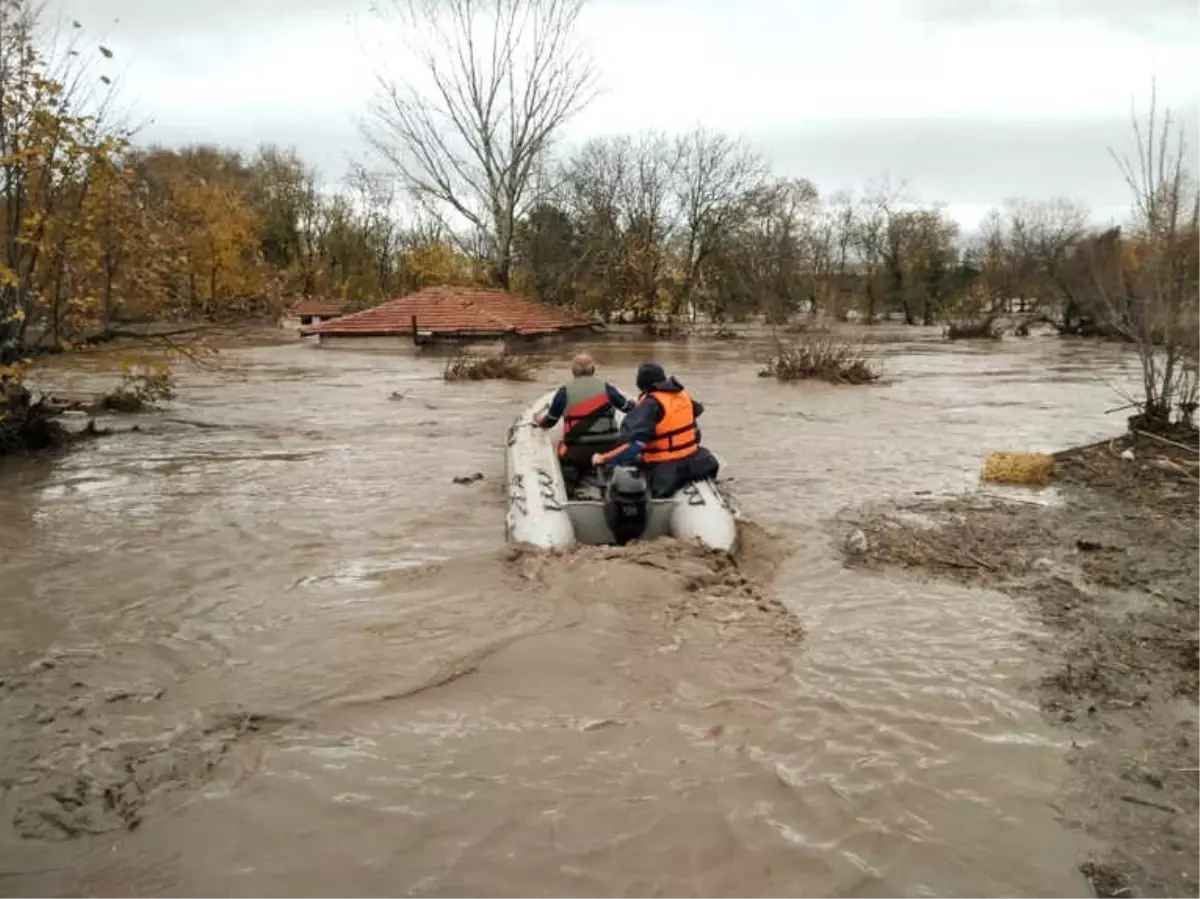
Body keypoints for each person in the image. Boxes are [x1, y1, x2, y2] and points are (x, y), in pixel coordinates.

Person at [590, 362, 719, 498]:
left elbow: (632, 446)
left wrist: (604, 458)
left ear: (641, 384)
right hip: (698, 461)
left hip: (666, 467)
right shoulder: (683, 396)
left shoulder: (650, 405)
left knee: (624, 465)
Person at [533, 353, 635, 488]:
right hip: (609, 448)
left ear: (573, 370)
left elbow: (550, 421)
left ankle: (570, 489)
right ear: (593, 369)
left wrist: (539, 421)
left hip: (578, 451)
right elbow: (629, 409)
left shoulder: (564, 392)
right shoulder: (607, 388)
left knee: (564, 458)